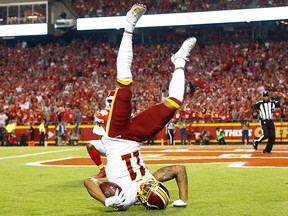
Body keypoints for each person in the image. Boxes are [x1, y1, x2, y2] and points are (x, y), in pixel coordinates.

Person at [84, 3, 196, 211]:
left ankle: (128, 27)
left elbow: (88, 182)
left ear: (143, 196)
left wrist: (105, 200)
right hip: (136, 138)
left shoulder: (125, 198)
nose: (150, 181)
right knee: (174, 103)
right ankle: (179, 61)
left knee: (124, 86)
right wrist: (182, 199)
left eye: (149, 186)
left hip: (116, 137)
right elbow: (179, 169)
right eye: (154, 183)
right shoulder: (150, 180)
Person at [86, 91, 114, 178]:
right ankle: (102, 170)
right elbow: (100, 128)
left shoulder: (125, 112)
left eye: (113, 101)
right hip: (107, 143)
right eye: (110, 101)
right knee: (90, 145)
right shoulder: (103, 113)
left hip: (121, 145)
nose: (111, 103)